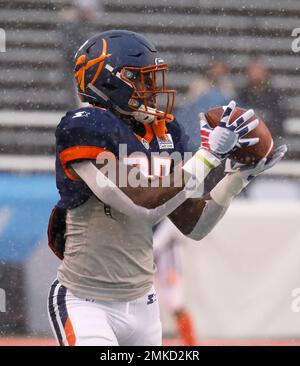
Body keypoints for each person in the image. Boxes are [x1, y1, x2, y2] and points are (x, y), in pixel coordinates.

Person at [46, 30, 286, 346]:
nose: (151, 89)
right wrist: (209, 155)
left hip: (144, 304)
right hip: (86, 301)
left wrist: (238, 176)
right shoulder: (85, 126)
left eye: (152, 78)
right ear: (104, 81)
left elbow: (195, 224)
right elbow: (142, 205)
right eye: (139, 78)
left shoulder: (163, 132)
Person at [153, 219, 198, 346]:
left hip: (170, 270)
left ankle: (191, 344)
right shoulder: (152, 217)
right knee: (153, 306)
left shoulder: (170, 221)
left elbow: (156, 243)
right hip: (155, 268)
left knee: (177, 306)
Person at [237, 59, 287, 143]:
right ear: (247, 74)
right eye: (253, 72)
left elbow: (279, 120)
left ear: (266, 74)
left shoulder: (275, 96)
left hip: (270, 139)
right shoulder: (242, 95)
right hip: (246, 140)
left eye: (259, 72)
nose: (256, 75)